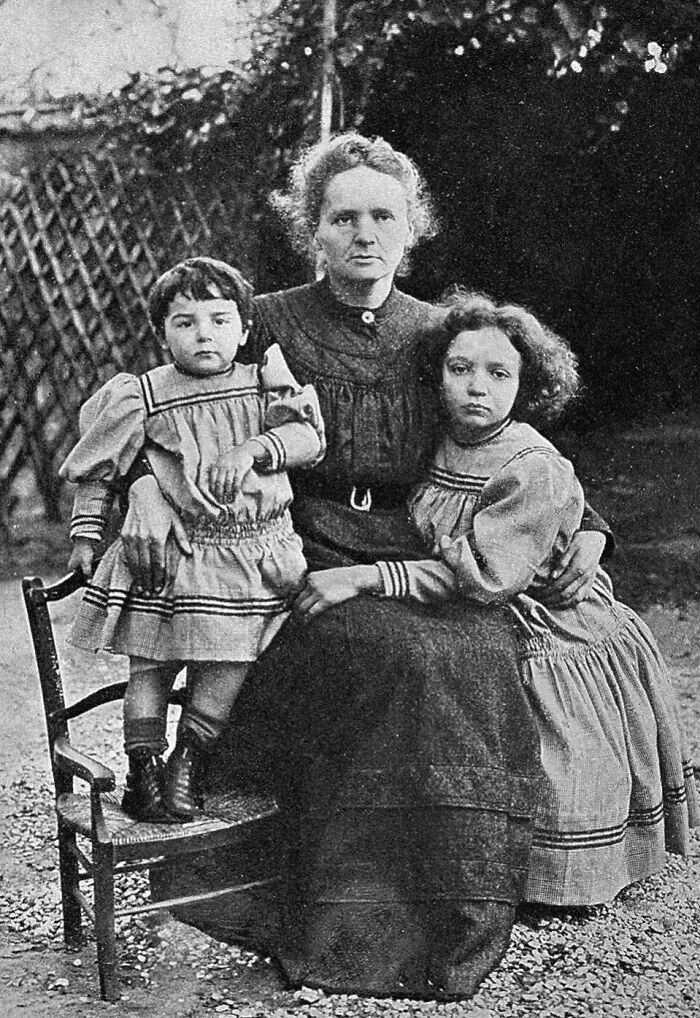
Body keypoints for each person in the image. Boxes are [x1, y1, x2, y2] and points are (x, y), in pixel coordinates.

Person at [120, 135, 612, 998]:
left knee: (476, 651)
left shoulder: (440, 333)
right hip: (293, 549)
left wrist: (594, 528)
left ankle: (459, 894)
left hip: (424, 550)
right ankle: (357, 917)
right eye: (342, 216)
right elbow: (168, 408)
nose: (363, 233)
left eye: (382, 215)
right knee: (395, 656)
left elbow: (510, 444)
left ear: (413, 226)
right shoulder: (262, 320)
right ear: (311, 229)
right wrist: (150, 495)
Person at [301, 289, 698, 907]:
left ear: (527, 383)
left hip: (548, 618)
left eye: (498, 373)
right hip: (478, 600)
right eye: (459, 370)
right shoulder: (437, 441)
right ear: (436, 377)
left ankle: (562, 878)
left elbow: (486, 573)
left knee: (555, 754)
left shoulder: (529, 465)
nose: (476, 388)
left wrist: (367, 576)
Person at [59, 257, 325, 823]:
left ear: (244, 329)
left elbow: (307, 436)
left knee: (228, 665)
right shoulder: (144, 394)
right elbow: (99, 468)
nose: (203, 333)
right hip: (172, 555)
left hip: (250, 554)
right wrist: (86, 535)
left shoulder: (262, 382)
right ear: (162, 333)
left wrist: (255, 450)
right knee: (151, 669)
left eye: (219, 319)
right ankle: (143, 768)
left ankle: (189, 761)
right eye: (184, 322)